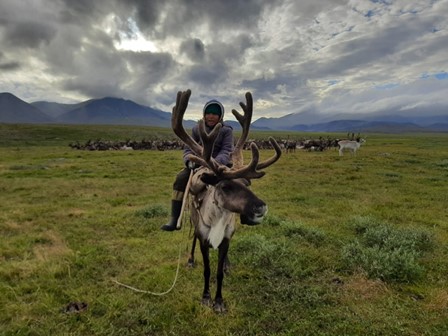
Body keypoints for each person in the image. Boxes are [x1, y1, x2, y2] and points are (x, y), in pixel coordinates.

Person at [161, 99, 234, 231]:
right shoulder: (196, 129)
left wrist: (215, 163)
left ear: (220, 116)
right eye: (208, 113)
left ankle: (247, 214)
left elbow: (227, 150)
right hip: (198, 165)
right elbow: (189, 149)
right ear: (204, 114)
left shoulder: (226, 131)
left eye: (215, 113)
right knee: (180, 179)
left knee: (239, 181)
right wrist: (190, 161)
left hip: (219, 166)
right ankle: (174, 218)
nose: (211, 116)